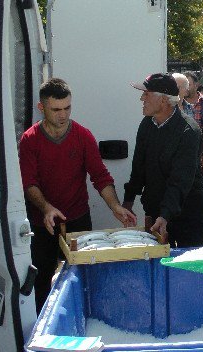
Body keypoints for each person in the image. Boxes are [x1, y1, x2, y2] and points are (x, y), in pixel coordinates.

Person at [19, 78, 135, 314]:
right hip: (43, 223)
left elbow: (100, 177)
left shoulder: (82, 135)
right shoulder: (30, 140)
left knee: (82, 277)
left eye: (67, 108)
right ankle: (44, 329)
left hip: (77, 220)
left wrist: (115, 206)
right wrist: (46, 208)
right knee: (41, 279)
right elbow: (28, 183)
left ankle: (82, 321)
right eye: (56, 110)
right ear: (42, 108)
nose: (63, 115)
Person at [123, 73, 203, 247]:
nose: (142, 98)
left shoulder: (189, 131)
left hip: (188, 216)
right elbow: (139, 166)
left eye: (146, 94)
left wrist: (165, 215)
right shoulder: (147, 124)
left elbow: (180, 180)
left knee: (191, 269)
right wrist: (128, 200)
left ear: (163, 100)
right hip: (159, 213)